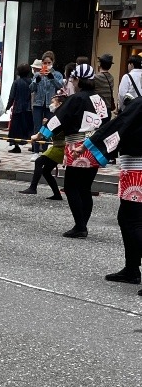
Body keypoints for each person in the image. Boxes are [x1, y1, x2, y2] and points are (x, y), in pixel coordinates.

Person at [33, 63, 110, 238]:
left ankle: (80, 226)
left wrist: (41, 133)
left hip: (77, 147)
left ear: (77, 80)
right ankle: (82, 223)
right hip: (95, 146)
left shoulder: (76, 98)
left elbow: (59, 119)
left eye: (73, 80)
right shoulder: (99, 99)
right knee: (85, 187)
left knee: (71, 186)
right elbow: (107, 122)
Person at [77, 97, 142, 289]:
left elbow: (118, 125)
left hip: (138, 170)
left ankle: (131, 269)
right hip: (136, 169)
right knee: (126, 218)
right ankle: (131, 268)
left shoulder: (139, 104)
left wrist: (87, 145)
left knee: (133, 221)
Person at [19, 91, 66, 200]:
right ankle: (57, 194)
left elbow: (47, 131)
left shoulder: (59, 117)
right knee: (46, 170)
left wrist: (37, 136)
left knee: (39, 161)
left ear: (59, 104)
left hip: (61, 147)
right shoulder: (61, 115)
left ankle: (33, 188)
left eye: (53, 102)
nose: (51, 105)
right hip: (60, 146)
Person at [29, 53, 63, 153]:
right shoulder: (37, 74)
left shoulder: (57, 74)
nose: (47, 64)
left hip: (51, 105)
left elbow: (60, 86)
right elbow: (31, 88)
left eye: (49, 63)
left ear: (53, 62)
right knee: (37, 127)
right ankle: (35, 151)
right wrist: (37, 79)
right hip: (38, 104)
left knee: (49, 127)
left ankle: (45, 151)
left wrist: (51, 77)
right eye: (45, 63)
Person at [6, 63, 33, 152]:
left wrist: (7, 107)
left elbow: (12, 96)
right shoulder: (32, 81)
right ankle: (34, 144)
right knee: (29, 127)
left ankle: (16, 146)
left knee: (16, 128)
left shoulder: (16, 82)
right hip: (29, 108)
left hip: (18, 108)